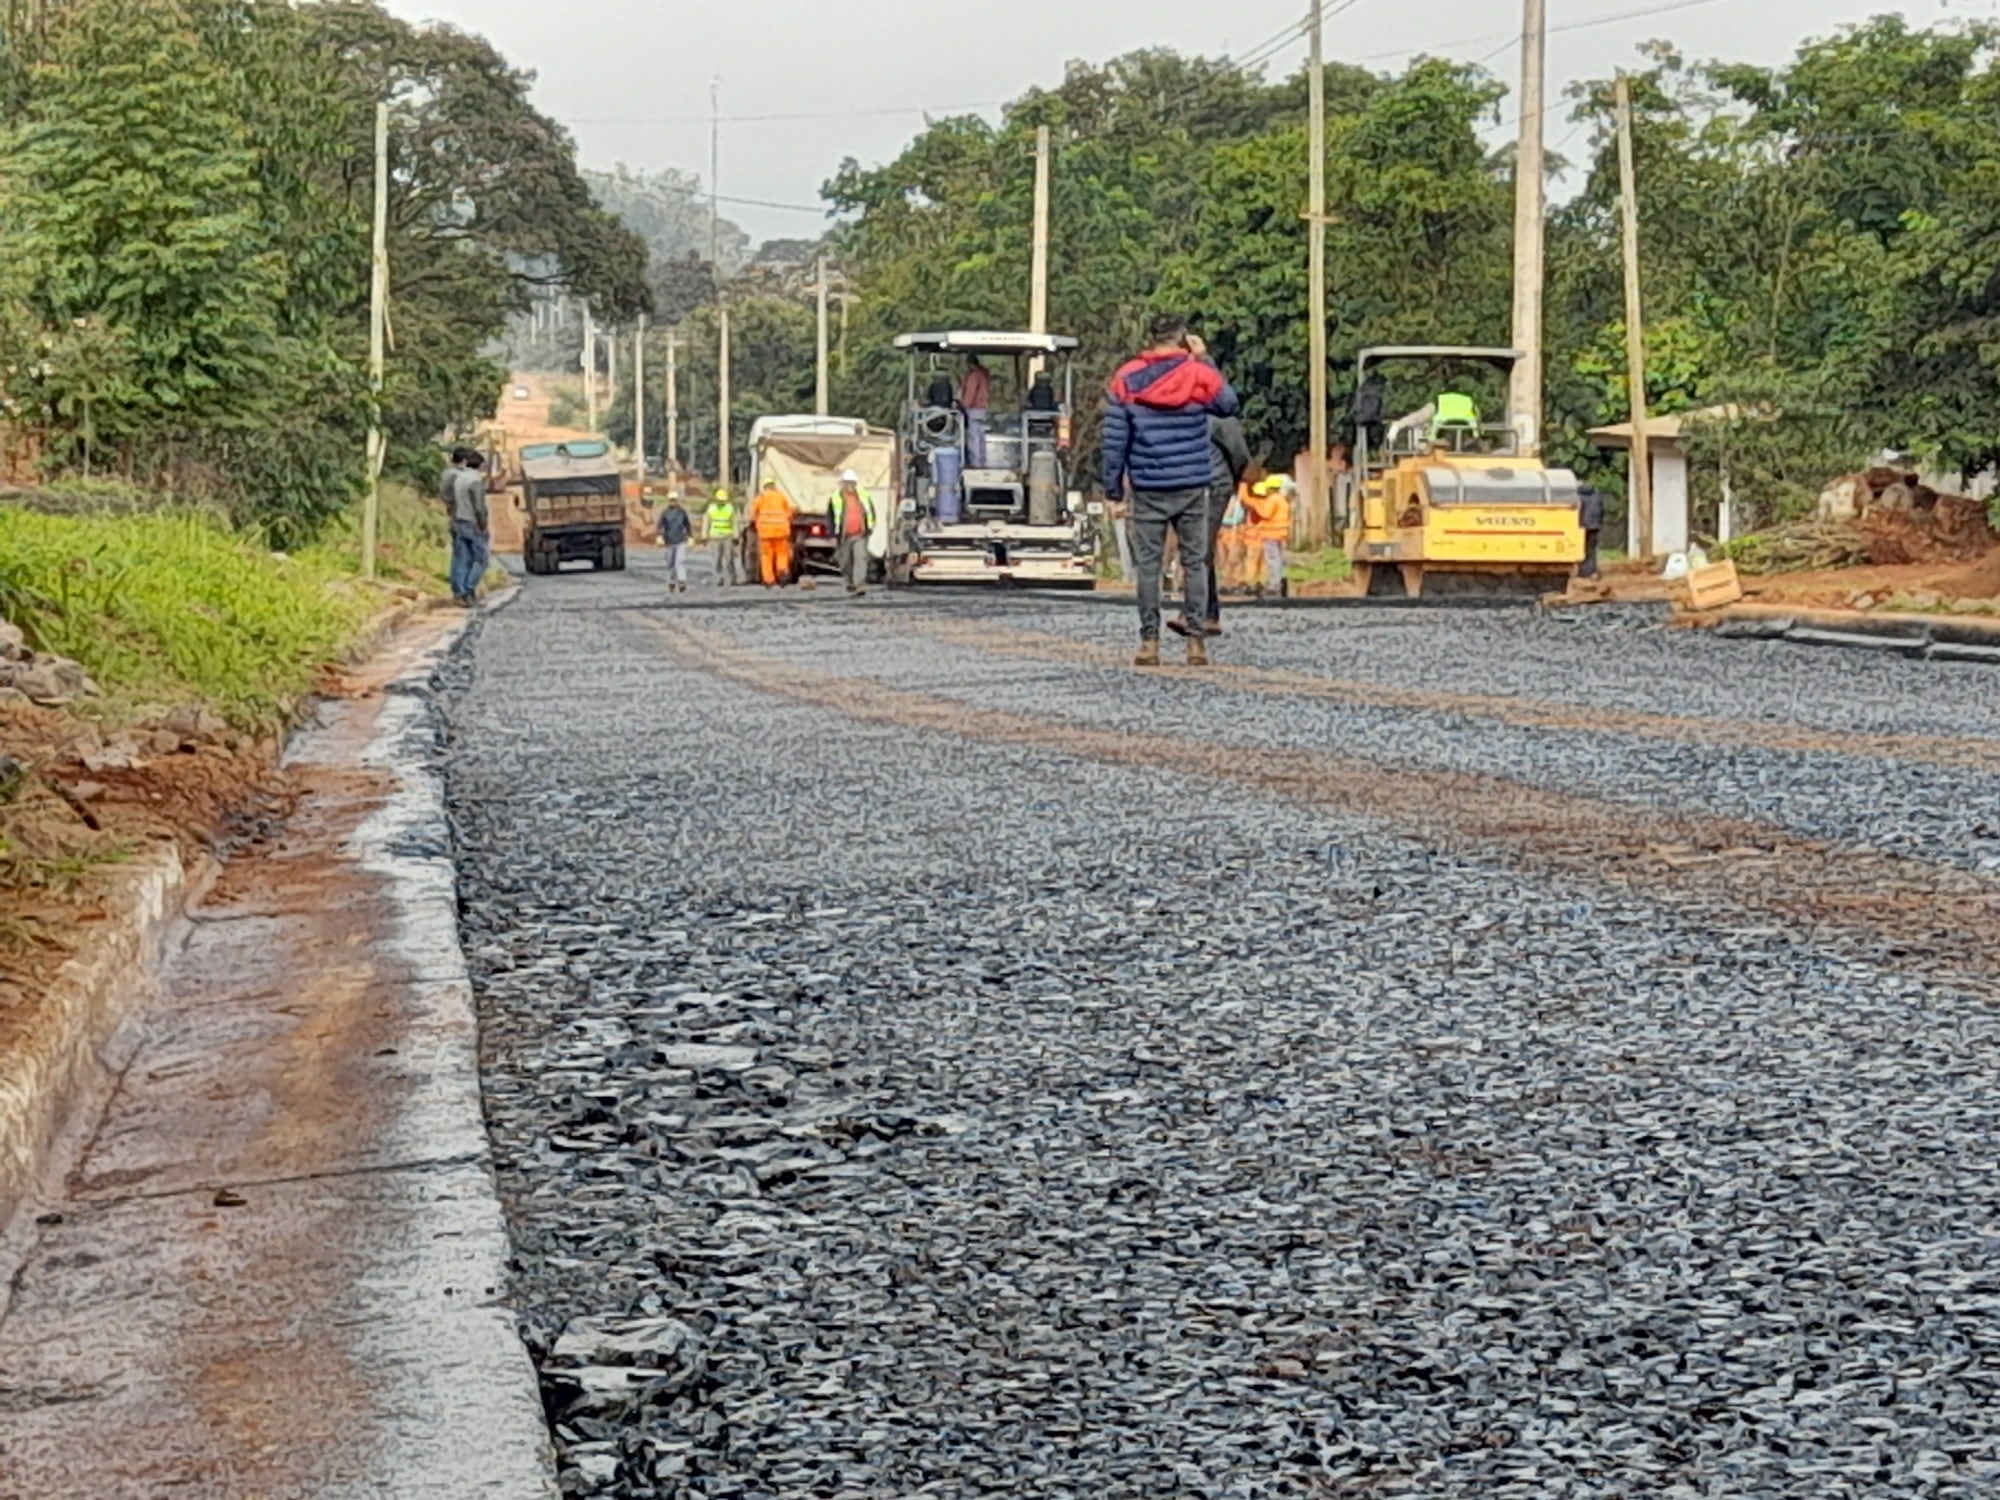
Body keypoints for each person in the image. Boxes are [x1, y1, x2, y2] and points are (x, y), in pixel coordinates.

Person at [1102, 312, 1239, 667]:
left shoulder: (1127, 378)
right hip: (1193, 482)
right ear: (1181, 338)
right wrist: (1204, 358)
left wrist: (1112, 487)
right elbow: (1228, 404)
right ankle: (1196, 643)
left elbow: (1115, 440)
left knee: (1148, 567)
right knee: (1195, 562)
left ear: (1149, 338)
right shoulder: (1197, 373)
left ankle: (1149, 643)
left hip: (1148, 485)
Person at [448, 451, 492, 605]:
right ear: (479, 464)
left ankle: (459, 593)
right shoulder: (475, 480)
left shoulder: (459, 478)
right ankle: (469, 588)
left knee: (461, 559)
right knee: (482, 559)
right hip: (472, 524)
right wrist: (483, 524)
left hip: (458, 521)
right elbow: (479, 506)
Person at [826, 469, 876, 596]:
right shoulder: (835, 498)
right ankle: (850, 583)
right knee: (845, 562)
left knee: (861, 559)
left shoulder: (864, 496)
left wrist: (870, 528)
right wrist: (832, 535)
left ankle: (859, 585)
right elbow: (830, 518)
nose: (849, 486)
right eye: (846, 483)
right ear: (842, 484)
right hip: (843, 536)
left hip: (860, 534)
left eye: (851, 483)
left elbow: (871, 512)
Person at [1242, 475, 1292, 598]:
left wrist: (1256, 506)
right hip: (1280, 534)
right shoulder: (1283, 500)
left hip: (1271, 534)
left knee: (1273, 560)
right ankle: (1278, 581)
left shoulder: (1273, 500)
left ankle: (1275, 584)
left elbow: (1266, 513)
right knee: (1278, 559)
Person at [749, 480, 796, 588]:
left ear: (764, 486)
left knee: (766, 556)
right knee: (782, 554)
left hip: (765, 533)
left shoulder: (760, 498)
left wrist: (757, 523)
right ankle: (782, 573)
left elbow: (752, 515)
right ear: (774, 486)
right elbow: (788, 513)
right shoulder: (781, 497)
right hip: (781, 532)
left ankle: (769, 580)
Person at [960, 354, 991, 468]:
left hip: (973, 408)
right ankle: (982, 461)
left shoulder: (973, 376)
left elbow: (970, 393)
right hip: (982, 408)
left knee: (973, 437)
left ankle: (975, 463)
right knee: (981, 436)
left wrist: (963, 405)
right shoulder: (984, 374)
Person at [704, 489, 740, 586]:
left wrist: (736, 536)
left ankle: (733, 578)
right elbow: (706, 522)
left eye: (722, 500)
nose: (721, 502)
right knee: (717, 560)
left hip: (727, 537)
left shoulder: (730, 508)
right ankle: (719, 579)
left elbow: (734, 522)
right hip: (715, 537)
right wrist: (704, 536)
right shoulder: (711, 509)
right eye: (720, 500)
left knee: (729, 559)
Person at [658, 496, 693, 593]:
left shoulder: (682, 512)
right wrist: (660, 536)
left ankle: (682, 581)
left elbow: (687, 525)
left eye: (674, 500)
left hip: (680, 541)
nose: (673, 502)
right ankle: (671, 582)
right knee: (670, 564)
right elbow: (660, 525)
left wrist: (690, 536)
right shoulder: (665, 513)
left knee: (680, 561)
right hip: (669, 542)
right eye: (671, 500)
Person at [1576, 484, 1605, 578]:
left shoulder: (1579, 497)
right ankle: (1593, 571)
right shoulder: (1596, 496)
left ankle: (1584, 572)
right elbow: (1602, 510)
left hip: (1583, 526)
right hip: (1595, 526)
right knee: (1592, 550)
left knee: (1582, 549)